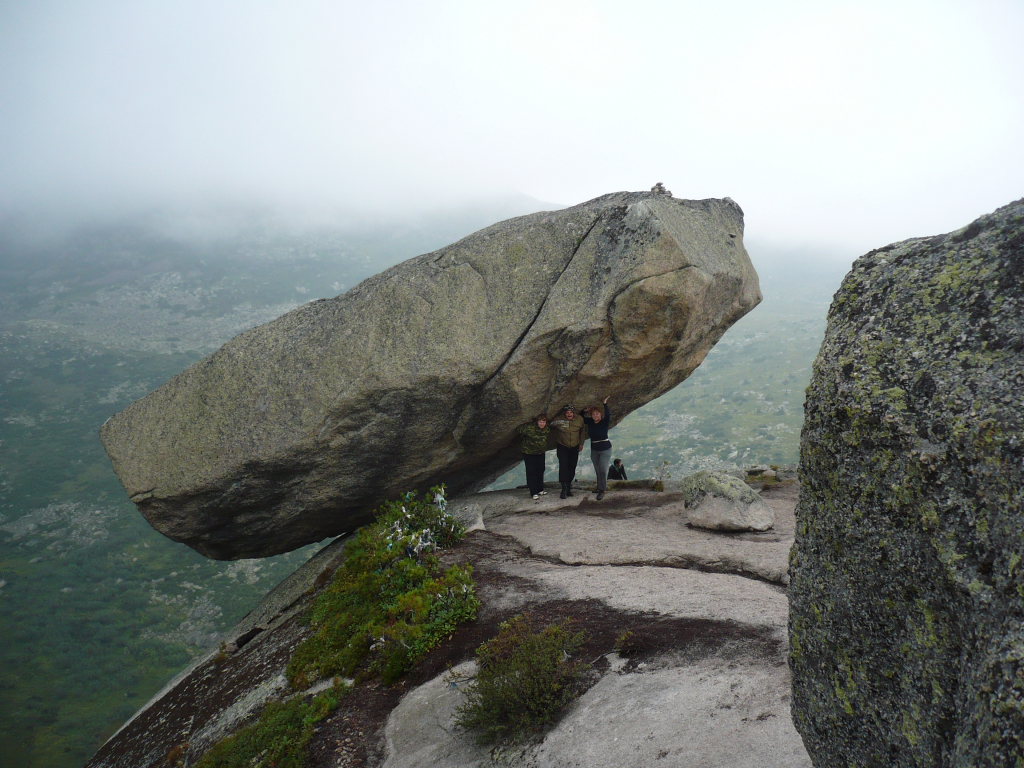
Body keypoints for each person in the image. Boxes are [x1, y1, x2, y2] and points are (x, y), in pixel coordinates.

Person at [549, 404, 587, 499]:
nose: (569, 414)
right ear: (564, 413)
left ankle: (569, 486)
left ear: (573, 413)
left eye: (571, 412)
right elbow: (549, 426)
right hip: (562, 446)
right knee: (563, 466)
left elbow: (582, 432)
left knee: (572, 466)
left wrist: (581, 443)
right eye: (567, 413)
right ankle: (564, 488)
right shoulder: (558, 420)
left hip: (574, 446)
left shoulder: (579, 419)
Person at [583, 397, 613, 499]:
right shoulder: (590, 422)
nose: (595, 415)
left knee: (603, 469)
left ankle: (602, 490)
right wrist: (584, 411)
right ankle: (599, 487)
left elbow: (608, 415)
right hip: (594, 450)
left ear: (600, 414)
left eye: (597, 413)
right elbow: (581, 418)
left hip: (605, 449)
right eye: (593, 414)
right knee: (597, 469)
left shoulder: (604, 422)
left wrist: (604, 403)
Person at [517, 415, 551, 500]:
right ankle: (533, 492)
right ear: (537, 422)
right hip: (529, 453)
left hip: (540, 452)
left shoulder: (547, 429)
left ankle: (540, 489)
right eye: (540, 422)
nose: (542, 424)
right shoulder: (530, 428)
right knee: (531, 472)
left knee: (540, 469)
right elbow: (519, 429)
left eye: (543, 422)